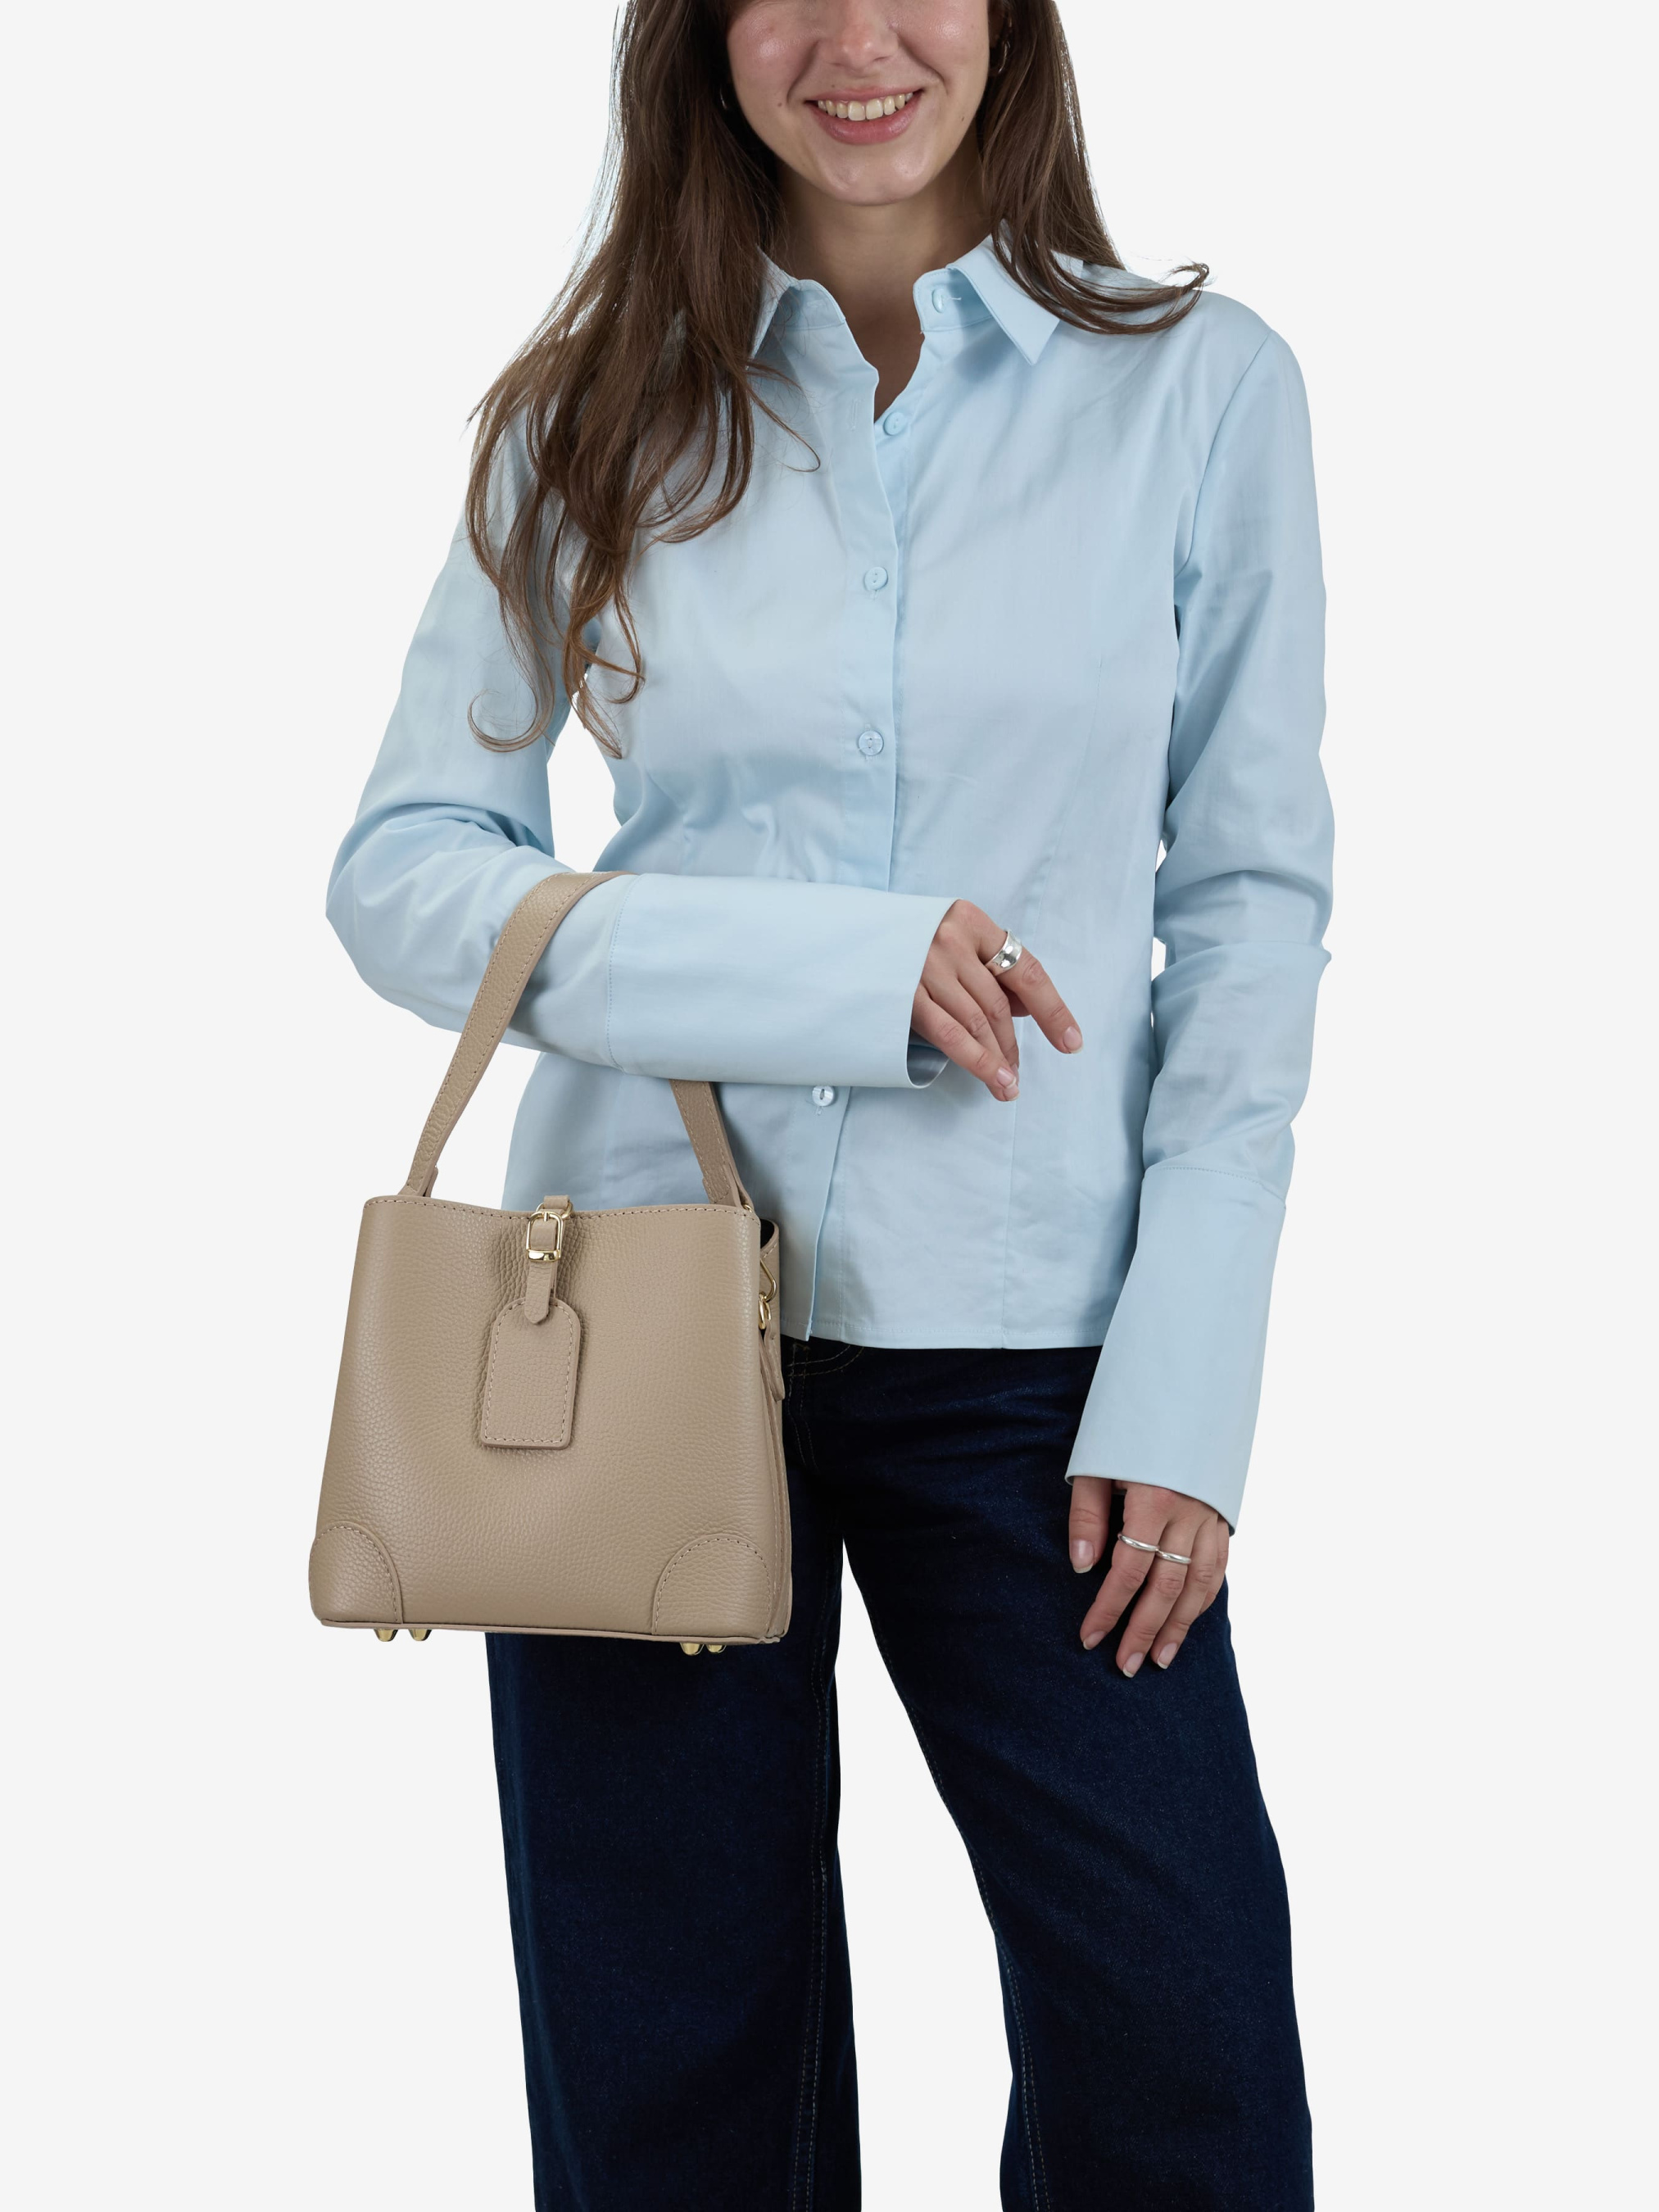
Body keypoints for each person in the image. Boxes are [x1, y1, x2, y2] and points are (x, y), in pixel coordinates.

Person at [326, 2, 1332, 2204]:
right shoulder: (584, 413)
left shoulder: (1199, 389)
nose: (856, 42)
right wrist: (841, 977)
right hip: (625, 1334)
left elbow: (1250, 902)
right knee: (673, 2095)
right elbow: (404, 874)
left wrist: (1191, 1378)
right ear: (702, 34)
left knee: (1182, 2070)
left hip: (1051, 1359)